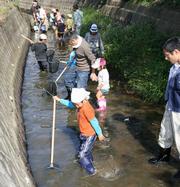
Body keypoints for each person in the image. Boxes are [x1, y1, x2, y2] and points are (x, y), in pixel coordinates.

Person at [148, 37, 180, 179]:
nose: (166, 59)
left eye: (167, 56)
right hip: (170, 105)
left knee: (179, 138)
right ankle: (164, 156)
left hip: (179, 109)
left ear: (176, 52)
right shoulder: (175, 67)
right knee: (165, 131)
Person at [53, 88, 105, 175]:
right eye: (75, 104)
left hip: (90, 135)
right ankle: (90, 162)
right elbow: (70, 104)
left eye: (77, 104)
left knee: (82, 155)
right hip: (83, 134)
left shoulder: (86, 109)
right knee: (86, 150)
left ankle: (92, 172)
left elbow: (94, 121)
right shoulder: (79, 104)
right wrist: (59, 100)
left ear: (84, 99)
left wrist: (99, 134)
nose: (76, 106)